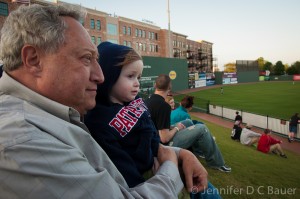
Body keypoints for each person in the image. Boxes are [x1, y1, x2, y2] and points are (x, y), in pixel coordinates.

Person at [0, 5, 184, 198]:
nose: (100, 76)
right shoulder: (22, 141)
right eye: (86, 58)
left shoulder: (47, 113)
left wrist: (178, 154)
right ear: (33, 59)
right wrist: (170, 167)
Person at [84, 42, 210, 196]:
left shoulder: (134, 100)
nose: (137, 83)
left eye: (138, 77)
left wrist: (163, 151)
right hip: (144, 180)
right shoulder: (98, 121)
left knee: (205, 187)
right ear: (109, 75)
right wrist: (160, 171)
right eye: (130, 76)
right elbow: (122, 171)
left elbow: (149, 128)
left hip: (158, 157)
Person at [145, 74, 231, 173]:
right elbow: (164, 138)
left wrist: (174, 127)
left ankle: (198, 152)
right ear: (169, 87)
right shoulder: (163, 106)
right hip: (162, 148)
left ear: (155, 85)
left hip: (152, 143)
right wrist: (176, 128)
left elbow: (156, 125)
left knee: (188, 122)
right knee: (202, 128)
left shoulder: (148, 100)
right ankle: (216, 163)